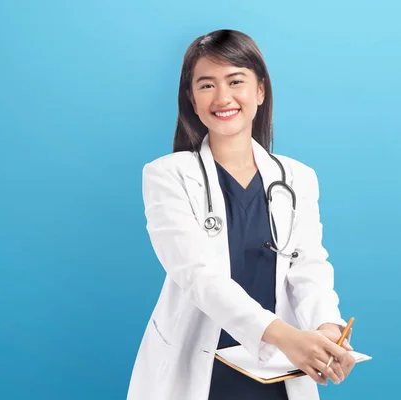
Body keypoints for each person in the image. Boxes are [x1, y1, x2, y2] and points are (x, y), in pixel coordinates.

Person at [127, 29, 356, 400]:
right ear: (192, 98)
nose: (223, 97)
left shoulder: (298, 177)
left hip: (280, 369)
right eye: (206, 85)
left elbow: (308, 265)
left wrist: (326, 327)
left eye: (236, 81)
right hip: (200, 365)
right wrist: (289, 336)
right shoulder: (166, 175)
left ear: (260, 91)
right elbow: (198, 276)